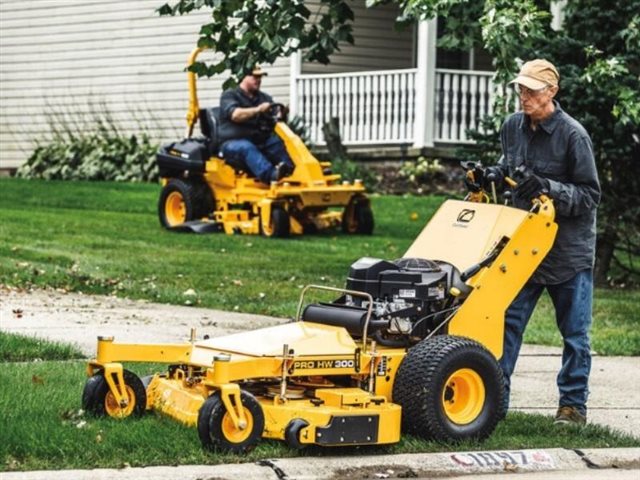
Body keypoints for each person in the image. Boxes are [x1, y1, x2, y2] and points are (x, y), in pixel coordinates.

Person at [488, 59, 601, 426]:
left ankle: (572, 407)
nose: (524, 96)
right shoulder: (512, 127)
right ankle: (494, 402)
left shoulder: (573, 136)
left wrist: (548, 187)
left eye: (531, 90)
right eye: (521, 89)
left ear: (551, 92)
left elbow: (589, 195)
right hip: (523, 249)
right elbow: (509, 170)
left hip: (568, 253)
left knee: (575, 335)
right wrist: (494, 174)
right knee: (506, 323)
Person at [217, 66, 294, 185]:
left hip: (258, 140)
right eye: (255, 76)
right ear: (244, 77)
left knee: (275, 142)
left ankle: (292, 171)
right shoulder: (230, 95)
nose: (258, 80)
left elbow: (274, 118)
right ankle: (271, 176)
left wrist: (281, 114)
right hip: (231, 143)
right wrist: (258, 109)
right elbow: (236, 115)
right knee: (246, 147)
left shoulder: (264, 98)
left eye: (260, 77)